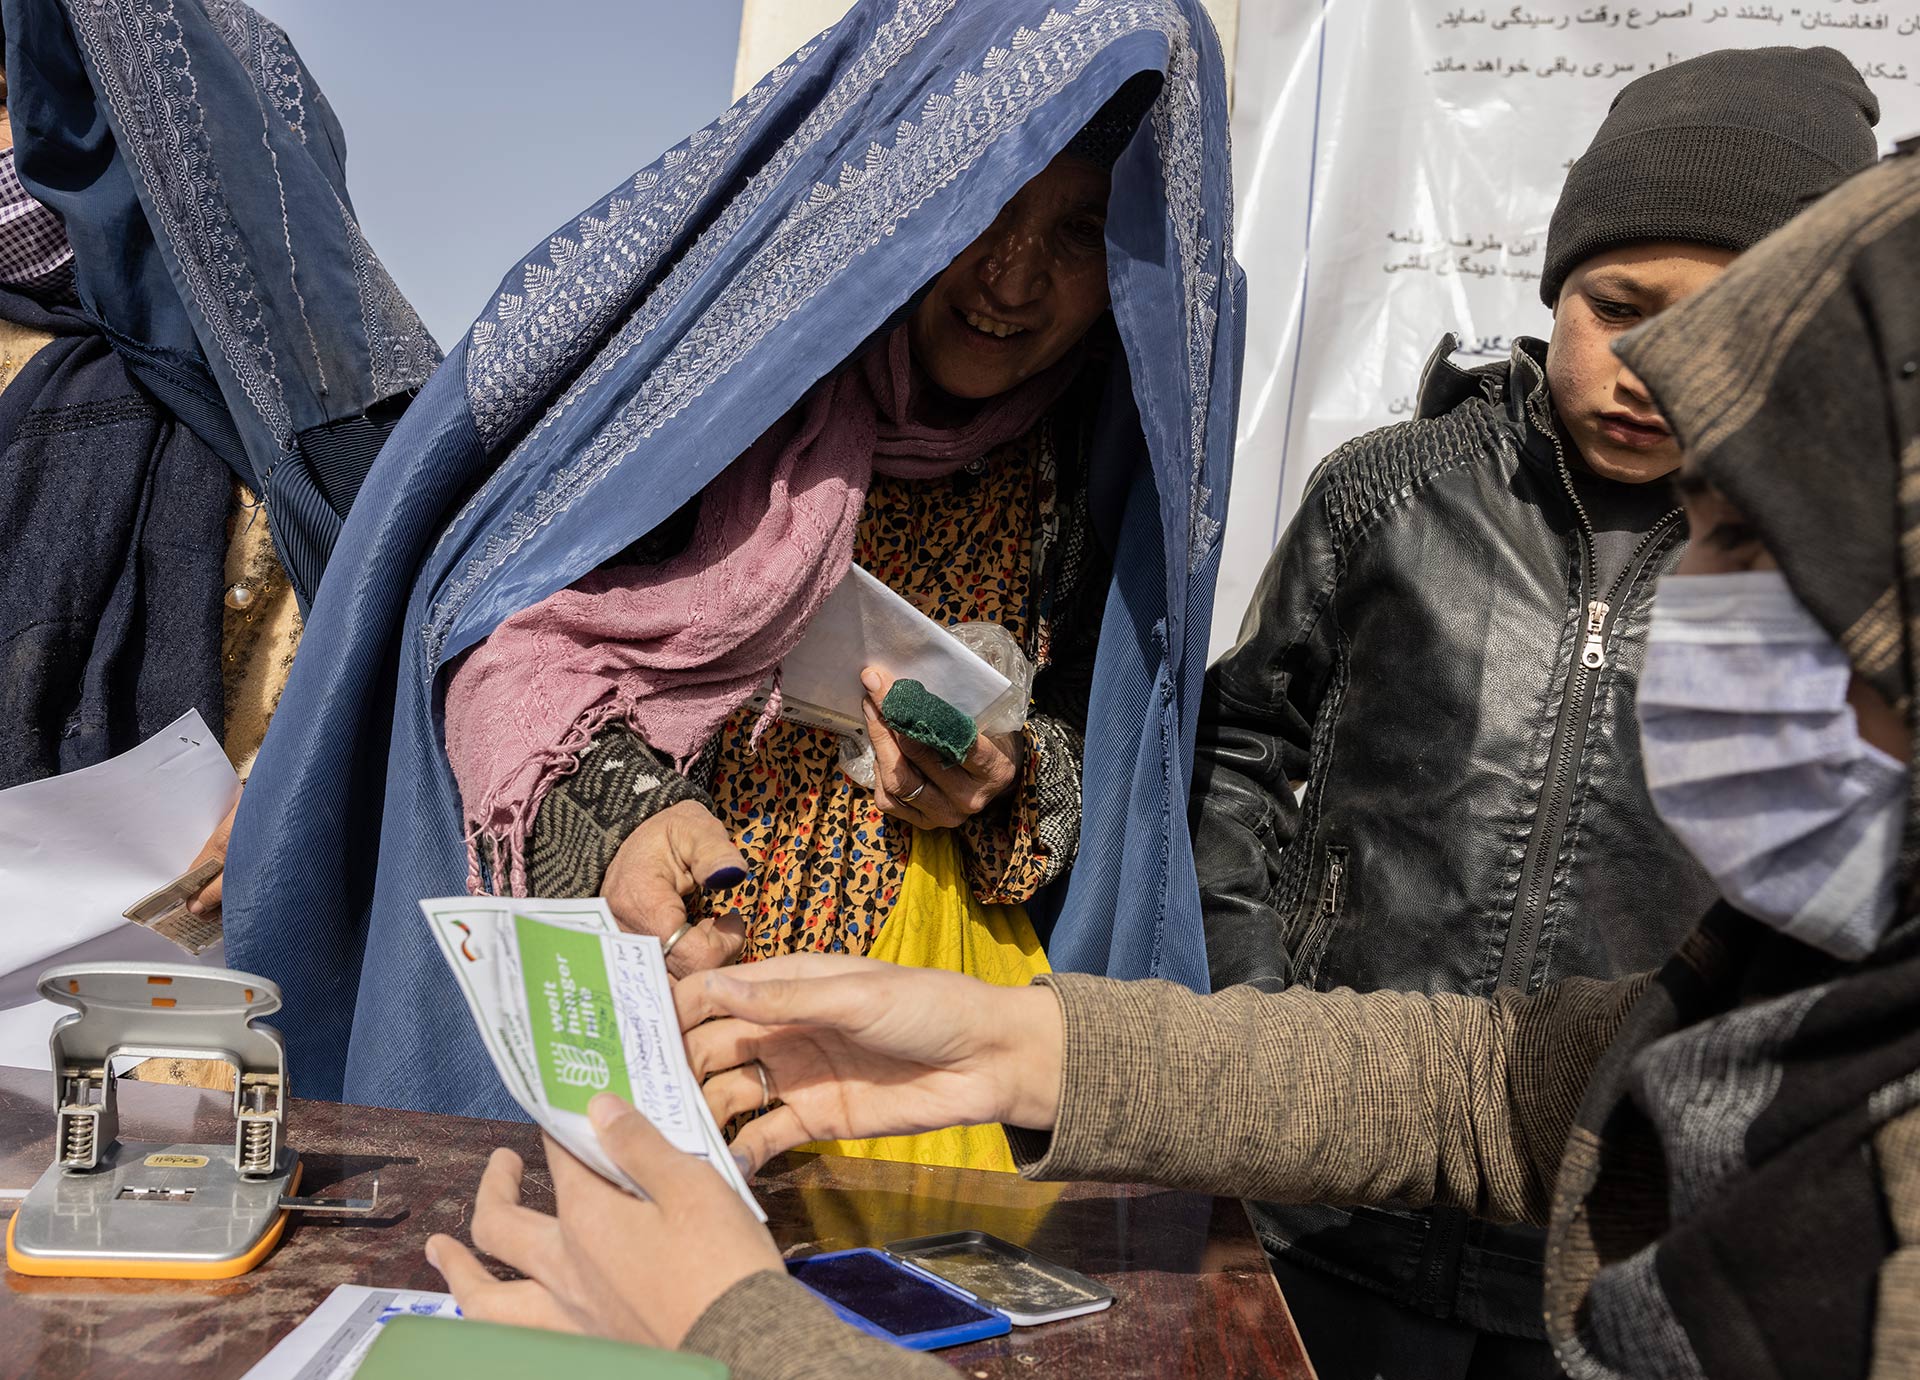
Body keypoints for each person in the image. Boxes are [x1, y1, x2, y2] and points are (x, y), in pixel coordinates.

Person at [425, 149, 1920, 1380]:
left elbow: (1119, 763)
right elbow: (1494, 1087)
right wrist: (1014, 1045)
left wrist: (730, 1334)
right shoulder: (1809, 1022)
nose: (1695, 621)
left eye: (1742, 547)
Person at [226, 0, 1242, 1123]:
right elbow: (494, 629)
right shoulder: (724, 400)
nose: (1010, 279)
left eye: (1076, 235)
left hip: (929, 1072)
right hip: (673, 1027)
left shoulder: (1099, 462)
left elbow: (1127, 798)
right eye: (993, 206)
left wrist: (1004, 779)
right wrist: (624, 823)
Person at [1188, 46, 1881, 1374]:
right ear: (1557, 280)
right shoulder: (1386, 498)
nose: (1654, 370)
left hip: (1608, 1262)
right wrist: (1252, 1010)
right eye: (1623, 309)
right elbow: (1240, 755)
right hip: (1321, 1207)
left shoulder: (1814, 583)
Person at [0, 0, 437, 909]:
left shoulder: (340, 425)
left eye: (18, 106)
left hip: (224, 962)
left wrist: (307, 792)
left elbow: (424, 671)